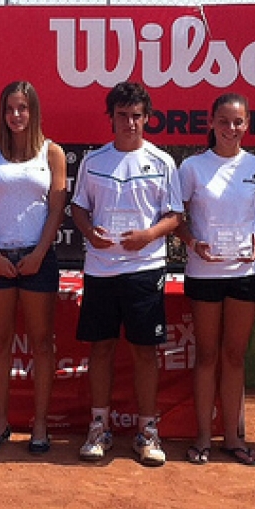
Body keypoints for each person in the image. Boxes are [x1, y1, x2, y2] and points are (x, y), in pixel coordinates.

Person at [70, 81, 183, 467]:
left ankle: (147, 432)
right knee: (100, 349)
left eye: (137, 116)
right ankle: (98, 428)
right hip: (101, 271)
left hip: (144, 269)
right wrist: (89, 233)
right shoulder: (93, 160)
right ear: (112, 118)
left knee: (144, 351)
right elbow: (79, 209)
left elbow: (174, 216)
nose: (130, 123)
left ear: (147, 118)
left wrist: (149, 235)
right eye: (122, 115)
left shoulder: (163, 162)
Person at [175, 93, 255, 466]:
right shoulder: (192, 168)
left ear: (247, 125)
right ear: (211, 123)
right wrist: (192, 243)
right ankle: (202, 437)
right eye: (224, 121)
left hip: (246, 273)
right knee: (206, 356)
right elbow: (177, 217)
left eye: (238, 122)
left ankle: (232, 437)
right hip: (204, 273)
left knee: (234, 357)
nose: (231, 129)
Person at [0, 81, 67, 454]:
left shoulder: (53, 152)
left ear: (34, 111)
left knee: (42, 345)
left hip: (38, 260)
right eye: (10, 108)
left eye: (23, 108)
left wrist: (39, 254)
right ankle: (0, 423)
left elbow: (56, 210)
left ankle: (40, 425)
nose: (16, 115)